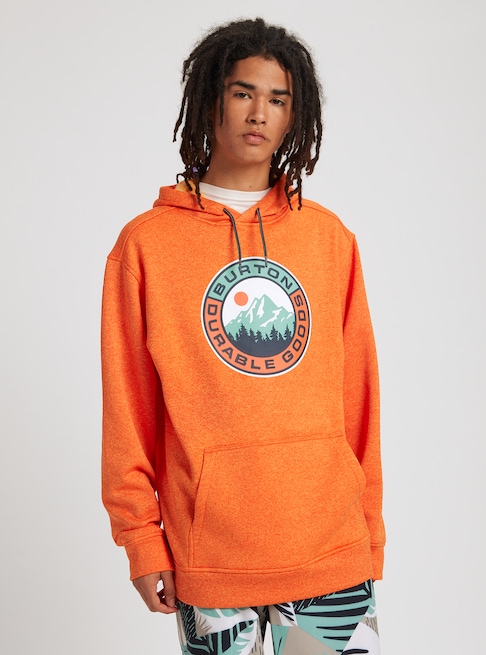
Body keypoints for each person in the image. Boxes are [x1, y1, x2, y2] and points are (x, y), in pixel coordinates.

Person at [101, 17, 385, 655]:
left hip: (330, 548)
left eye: (278, 99)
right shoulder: (146, 245)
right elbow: (127, 407)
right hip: (211, 554)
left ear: (294, 117)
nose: (259, 113)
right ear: (211, 101)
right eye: (242, 93)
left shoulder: (329, 239)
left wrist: (371, 532)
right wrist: (141, 539)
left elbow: (359, 399)